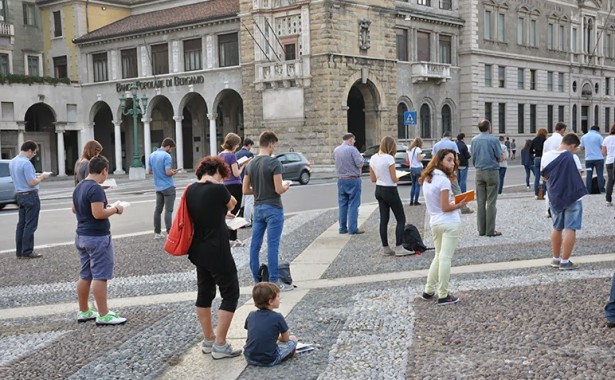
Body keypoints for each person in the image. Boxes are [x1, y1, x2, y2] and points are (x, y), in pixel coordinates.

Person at [185, 156, 242, 359]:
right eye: (222, 176)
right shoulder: (218, 189)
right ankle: (220, 344)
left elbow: (202, 212)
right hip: (217, 250)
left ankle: (208, 339)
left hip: (199, 251)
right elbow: (233, 203)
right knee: (231, 293)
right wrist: (220, 190)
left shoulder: (191, 190)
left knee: (205, 292)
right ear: (217, 171)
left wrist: (220, 213)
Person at [73, 155, 127, 325]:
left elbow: (74, 209)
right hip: (96, 237)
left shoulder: (79, 186)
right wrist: (116, 209)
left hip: (81, 235)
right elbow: (98, 214)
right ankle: (103, 314)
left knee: (85, 275)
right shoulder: (96, 188)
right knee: (100, 276)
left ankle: (84, 311)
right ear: (104, 171)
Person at [243, 131, 293, 291]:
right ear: (270, 144)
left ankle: (256, 279)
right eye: (274, 145)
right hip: (273, 207)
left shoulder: (250, 164)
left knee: (255, 246)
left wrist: (258, 191)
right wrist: (286, 186)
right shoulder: (274, 163)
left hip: (258, 208)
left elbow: (245, 190)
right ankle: (273, 281)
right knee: (272, 245)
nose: (274, 149)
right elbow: (278, 189)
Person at [419, 148, 466, 305]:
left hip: (435, 222)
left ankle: (428, 290)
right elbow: (446, 207)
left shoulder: (427, 178)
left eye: (454, 160)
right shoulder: (444, 181)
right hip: (449, 222)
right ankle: (443, 294)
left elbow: (439, 205)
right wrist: (460, 204)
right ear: (439, 161)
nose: (453, 163)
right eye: (449, 160)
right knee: (445, 258)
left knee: (438, 256)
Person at [541, 133, 587, 270]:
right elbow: (578, 175)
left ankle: (555, 259)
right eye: (575, 148)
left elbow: (544, 177)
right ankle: (565, 261)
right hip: (572, 197)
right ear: (572, 145)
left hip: (555, 197)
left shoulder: (546, 156)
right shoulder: (572, 157)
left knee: (557, 227)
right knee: (570, 228)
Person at [9, 140, 50, 259]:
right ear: (29, 150)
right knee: (30, 225)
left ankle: (19, 251)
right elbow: (31, 182)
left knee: (21, 224)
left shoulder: (13, 161)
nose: (34, 155)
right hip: (30, 195)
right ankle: (27, 251)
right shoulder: (26, 163)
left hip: (20, 194)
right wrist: (42, 177)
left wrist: (35, 175)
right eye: (34, 152)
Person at [369, 136, 408, 256]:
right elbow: (394, 179)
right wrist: (400, 175)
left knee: (384, 219)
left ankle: (385, 247)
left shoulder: (373, 158)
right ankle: (399, 246)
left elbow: (373, 179)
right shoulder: (389, 158)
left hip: (379, 189)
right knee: (401, 219)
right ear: (392, 147)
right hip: (390, 189)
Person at [243, 282, 298, 366]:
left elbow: (253, 332)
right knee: (293, 339)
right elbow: (286, 339)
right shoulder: (278, 317)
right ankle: (289, 354)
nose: (280, 299)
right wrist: (278, 338)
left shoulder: (251, 315)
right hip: (270, 360)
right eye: (278, 297)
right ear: (271, 301)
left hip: (249, 357)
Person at [471, 120, 503, 237]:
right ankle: (490, 230)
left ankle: (481, 230)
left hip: (479, 171)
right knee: (491, 202)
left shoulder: (474, 140)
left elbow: (473, 157)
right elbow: (499, 156)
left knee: (480, 201)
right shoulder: (494, 140)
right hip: (492, 171)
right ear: (489, 127)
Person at [219, 133, 251, 247]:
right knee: (234, 213)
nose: (237, 146)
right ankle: (233, 238)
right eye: (237, 144)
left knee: (227, 212)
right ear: (234, 144)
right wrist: (242, 166)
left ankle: (226, 237)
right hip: (235, 185)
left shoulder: (220, 155)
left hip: (225, 185)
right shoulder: (232, 156)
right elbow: (236, 173)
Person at [148, 138, 179, 239]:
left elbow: (149, 171)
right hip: (168, 186)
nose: (171, 150)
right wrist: (174, 172)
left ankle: (157, 233)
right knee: (168, 211)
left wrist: (158, 172)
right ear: (168, 146)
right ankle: (169, 232)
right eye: (171, 148)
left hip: (158, 187)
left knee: (158, 210)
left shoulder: (152, 155)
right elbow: (168, 172)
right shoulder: (167, 156)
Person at [333, 133, 364, 234]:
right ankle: (352, 228)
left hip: (341, 179)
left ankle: (342, 228)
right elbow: (359, 164)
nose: (354, 142)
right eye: (354, 140)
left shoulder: (336, 150)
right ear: (350, 140)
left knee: (342, 204)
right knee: (353, 204)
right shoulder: (352, 150)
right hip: (352, 179)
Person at [580, 125, 605, 193]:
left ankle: (588, 191)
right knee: (600, 174)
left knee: (589, 175)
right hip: (599, 158)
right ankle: (602, 190)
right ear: (597, 130)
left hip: (588, 159)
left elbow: (581, 148)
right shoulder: (599, 136)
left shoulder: (584, 136)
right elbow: (602, 147)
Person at [236, 138, 255, 224]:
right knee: (249, 202)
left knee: (241, 201)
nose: (251, 148)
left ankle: (240, 218)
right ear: (249, 145)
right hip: (248, 179)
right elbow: (252, 168)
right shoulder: (249, 154)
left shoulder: (236, 154)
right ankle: (247, 221)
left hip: (239, 179)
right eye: (251, 146)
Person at [407, 137, 425, 206]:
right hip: (418, 168)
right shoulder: (418, 149)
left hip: (411, 168)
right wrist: (423, 156)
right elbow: (419, 159)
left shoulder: (409, 150)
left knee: (413, 185)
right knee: (417, 185)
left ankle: (411, 200)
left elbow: (407, 160)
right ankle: (416, 201)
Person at [530, 128, 548, 198]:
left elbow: (530, 151)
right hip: (543, 158)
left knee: (537, 177)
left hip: (536, 158)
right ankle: (545, 192)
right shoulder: (545, 140)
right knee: (545, 176)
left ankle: (536, 193)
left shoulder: (534, 140)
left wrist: (535, 152)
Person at [602, 124, 615, 206]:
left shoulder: (606, 138)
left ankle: (608, 200)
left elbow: (603, 152)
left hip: (609, 161)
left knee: (610, 180)